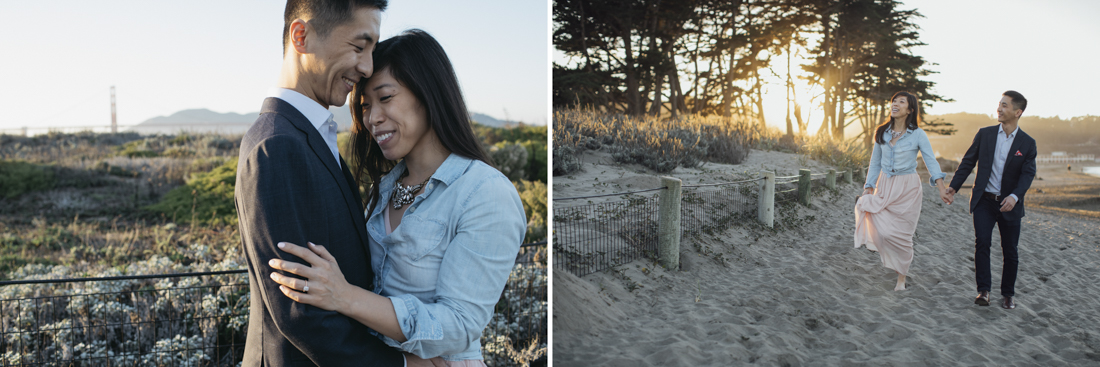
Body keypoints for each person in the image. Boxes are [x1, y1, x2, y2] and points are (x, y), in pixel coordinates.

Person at [267, 30, 527, 366]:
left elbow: (460, 324)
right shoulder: (384, 189)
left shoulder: (485, 193)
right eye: (364, 106)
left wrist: (345, 297)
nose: (372, 118)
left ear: (429, 94)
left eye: (385, 98)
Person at [233, 0, 435, 365]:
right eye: (359, 47)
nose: (367, 66)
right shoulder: (277, 146)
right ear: (301, 36)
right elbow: (302, 313)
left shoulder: (306, 135)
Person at [945, 91, 1036, 310]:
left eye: (1004, 105)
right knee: (982, 242)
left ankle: (1008, 295)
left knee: (1010, 250)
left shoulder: (1028, 143)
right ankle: (983, 291)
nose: (999, 109)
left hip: (1009, 204)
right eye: (999, 104)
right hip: (984, 201)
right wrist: (953, 187)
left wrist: (1014, 197)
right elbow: (968, 162)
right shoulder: (985, 134)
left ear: (1018, 112)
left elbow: (1027, 174)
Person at [855, 91, 953, 291]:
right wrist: (869, 187)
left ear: (910, 110)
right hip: (885, 185)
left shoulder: (918, 134)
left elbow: (930, 161)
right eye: (893, 101)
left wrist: (942, 188)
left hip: (908, 188)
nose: (895, 104)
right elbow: (874, 163)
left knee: (903, 235)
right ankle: (891, 259)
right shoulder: (882, 132)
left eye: (901, 102)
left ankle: (901, 278)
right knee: (883, 231)